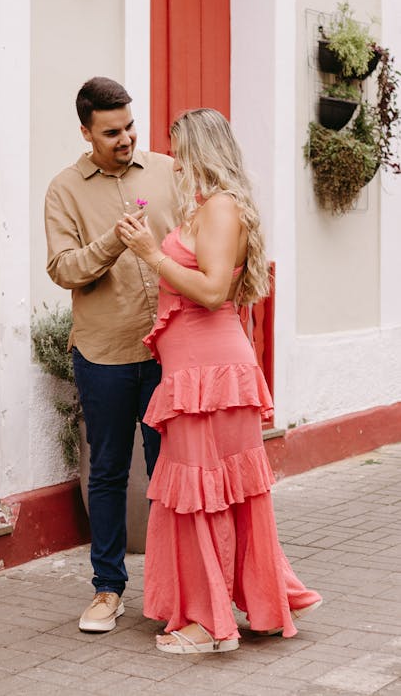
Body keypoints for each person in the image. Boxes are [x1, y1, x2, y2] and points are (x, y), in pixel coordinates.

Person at [116, 108, 322, 654]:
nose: (176, 163)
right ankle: (244, 606)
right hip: (194, 373)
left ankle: (208, 625)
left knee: (206, 492)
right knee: (205, 492)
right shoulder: (209, 208)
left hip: (212, 375)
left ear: (204, 151)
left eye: (181, 150)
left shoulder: (224, 207)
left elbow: (210, 292)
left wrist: (152, 254)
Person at [45, 77, 179, 633]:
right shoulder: (64, 191)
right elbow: (62, 269)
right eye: (111, 132)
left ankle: (178, 590)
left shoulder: (170, 171)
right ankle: (107, 590)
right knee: (107, 471)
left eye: (129, 127)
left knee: (172, 471)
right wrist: (112, 243)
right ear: (85, 131)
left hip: (171, 347)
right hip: (104, 352)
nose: (125, 139)